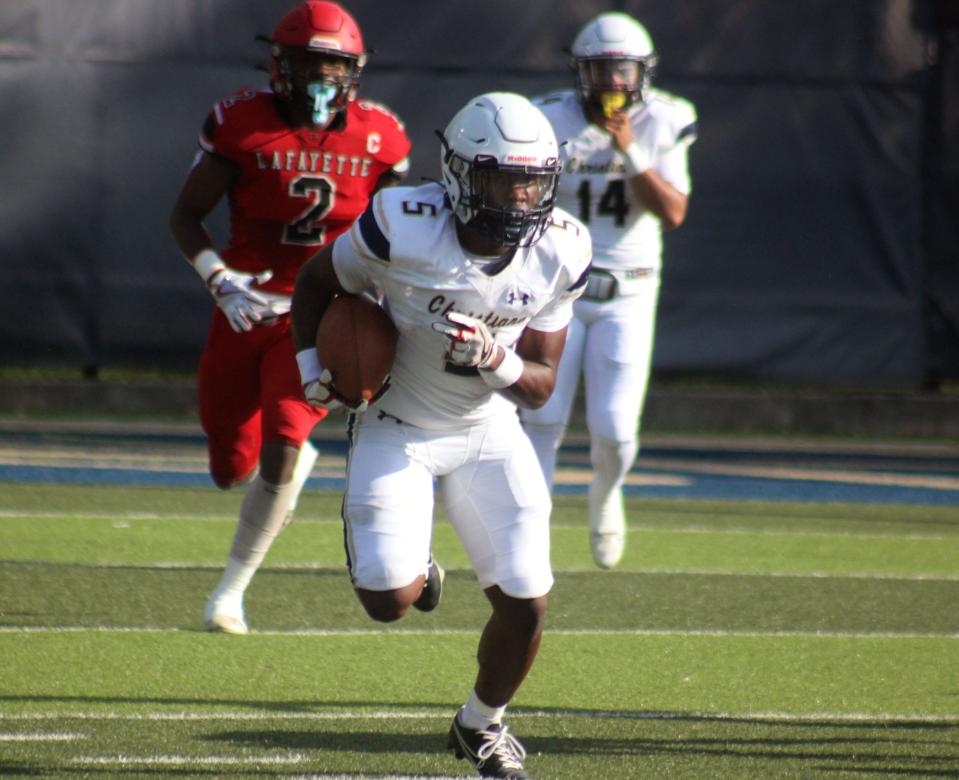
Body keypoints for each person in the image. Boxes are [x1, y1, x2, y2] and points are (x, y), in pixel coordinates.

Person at [291, 92, 591, 779]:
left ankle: (480, 726)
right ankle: (419, 569)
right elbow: (314, 284)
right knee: (387, 601)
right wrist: (314, 366)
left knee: (527, 602)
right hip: (398, 424)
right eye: (501, 180)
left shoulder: (561, 249)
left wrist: (495, 358)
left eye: (532, 181)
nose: (518, 198)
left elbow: (540, 383)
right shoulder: (402, 225)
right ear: (457, 174)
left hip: (489, 429)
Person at [168, 0, 411, 634]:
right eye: (310, 64)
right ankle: (270, 461)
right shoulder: (242, 123)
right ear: (281, 66)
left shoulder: (380, 135)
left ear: (354, 71)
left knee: (282, 445)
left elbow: (396, 236)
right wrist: (218, 279)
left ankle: (230, 592)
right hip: (246, 308)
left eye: (335, 65)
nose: (323, 78)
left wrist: (384, 307)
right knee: (231, 466)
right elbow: (185, 215)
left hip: (323, 313)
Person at [520, 12, 697, 569]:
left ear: (642, 74)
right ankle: (529, 535)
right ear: (581, 73)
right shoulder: (549, 118)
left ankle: (607, 492)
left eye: (623, 71)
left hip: (630, 291)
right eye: (601, 70)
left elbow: (673, 212)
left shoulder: (667, 120)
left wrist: (630, 151)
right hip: (559, 291)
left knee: (616, 432)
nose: (613, 83)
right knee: (542, 419)